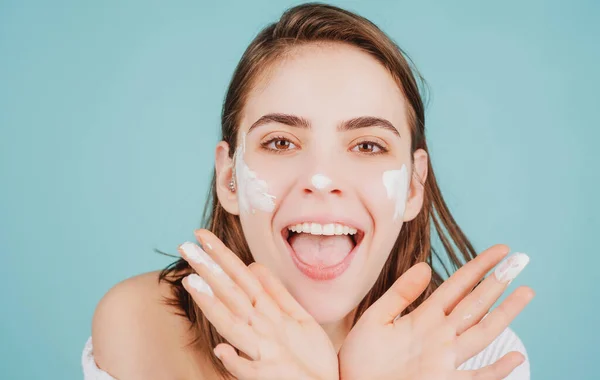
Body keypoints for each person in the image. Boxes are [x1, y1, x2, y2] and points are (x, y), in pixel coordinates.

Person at [83, 3, 534, 379]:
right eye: (281, 142)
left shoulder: (479, 355)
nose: (322, 179)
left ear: (414, 186)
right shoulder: (143, 324)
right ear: (229, 178)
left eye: (367, 145)